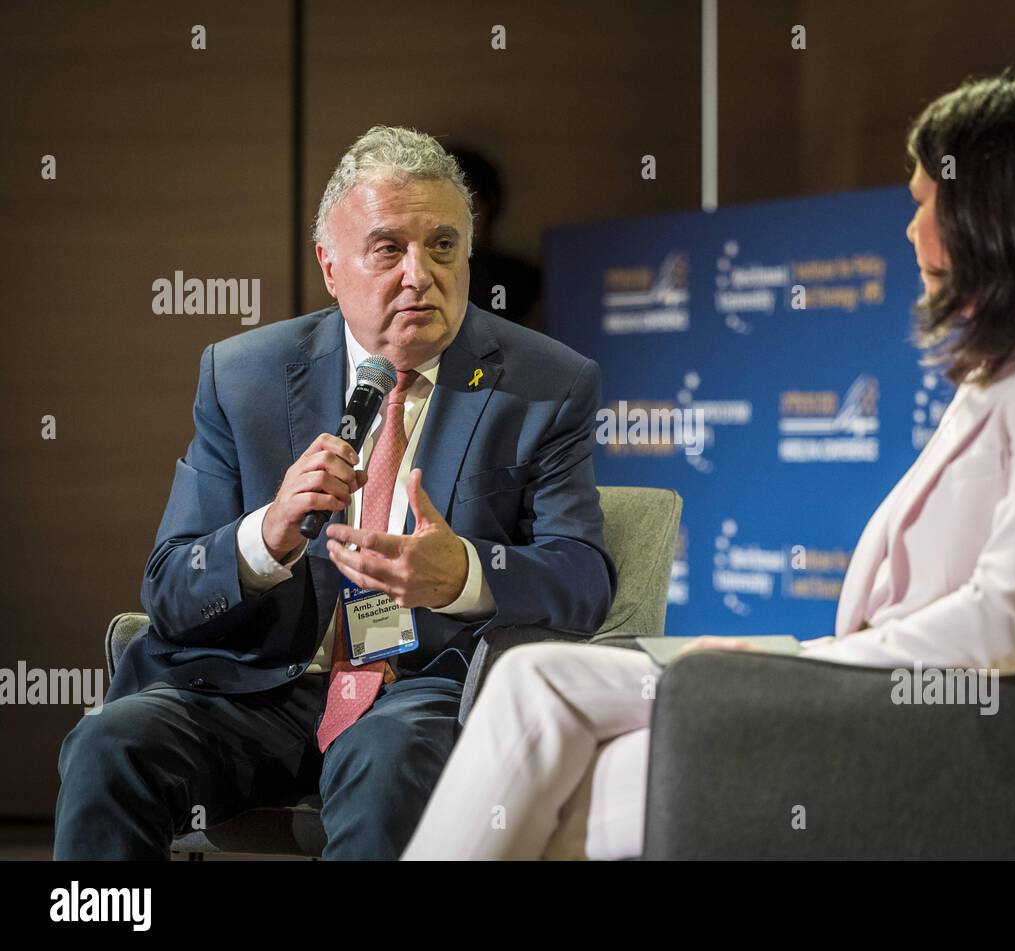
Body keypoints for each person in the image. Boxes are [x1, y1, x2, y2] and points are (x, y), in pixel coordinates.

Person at [400, 70, 1015, 861]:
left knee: (548, 742)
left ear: (1000, 209)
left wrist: (801, 665)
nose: (910, 230)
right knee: (541, 705)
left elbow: (1011, 619)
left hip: (919, 738)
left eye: (928, 202)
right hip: (867, 702)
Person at [53, 125, 614, 860]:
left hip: (419, 692)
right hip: (255, 689)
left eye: (443, 245)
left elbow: (584, 577)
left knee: (388, 763)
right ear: (330, 264)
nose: (420, 274)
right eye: (388, 248)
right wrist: (267, 535)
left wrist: (467, 574)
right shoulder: (244, 376)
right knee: (110, 743)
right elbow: (169, 586)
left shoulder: (547, 383)